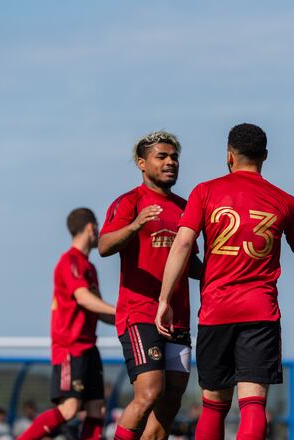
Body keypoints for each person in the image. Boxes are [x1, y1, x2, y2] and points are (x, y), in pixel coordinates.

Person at [156, 123, 294, 440]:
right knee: (253, 403)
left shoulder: (205, 192)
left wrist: (164, 299)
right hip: (260, 313)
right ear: (265, 157)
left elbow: (183, 245)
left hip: (216, 312)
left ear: (229, 156)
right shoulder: (285, 201)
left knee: (213, 405)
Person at [98, 131, 201, 440]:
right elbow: (104, 246)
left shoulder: (186, 207)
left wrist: (223, 273)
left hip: (178, 316)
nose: (170, 162)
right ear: (142, 164)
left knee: (171, 401)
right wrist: (135, 225)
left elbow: (191, 263)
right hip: (140, 313)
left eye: (174, 157)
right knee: (149, 393)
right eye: (162, 156)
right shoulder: (129, 202)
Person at [18, 208, 116, 440]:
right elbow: (83, 297)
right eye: (98, 228)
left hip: (89, 348)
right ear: (91, 228)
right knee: (70, 408)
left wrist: (131, 320)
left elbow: (97, 307)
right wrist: (121, 310)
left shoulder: (89, 267)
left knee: (96, 409)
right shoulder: (70, 260)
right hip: (70, 348)